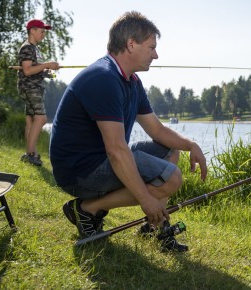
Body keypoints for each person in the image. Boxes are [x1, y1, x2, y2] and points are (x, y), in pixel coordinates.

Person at [49, 11, 207, 252]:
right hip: (79, 170)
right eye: (152, 47)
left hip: (100, 159)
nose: (156, 54)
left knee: (170, 151)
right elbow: (116, 150)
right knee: (172, 177)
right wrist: (146, 200)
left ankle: (154, 227)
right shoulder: (104, 78)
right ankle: (86, 210)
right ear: (131, 44)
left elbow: (156, 129)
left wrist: (191, 145)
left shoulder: (131, 81)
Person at [17, 19, 60, 166]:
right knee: (41, 119)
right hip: (30, 88)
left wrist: (46, 71)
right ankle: (30, 154)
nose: (44, 34)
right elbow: (27, 70)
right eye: (42, 31)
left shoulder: (35, 49)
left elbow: (35, 68)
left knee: (31, 119)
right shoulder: (27, 48)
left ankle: (31, 152)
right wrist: (47, 64)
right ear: (33, 30)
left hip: (34, 87)